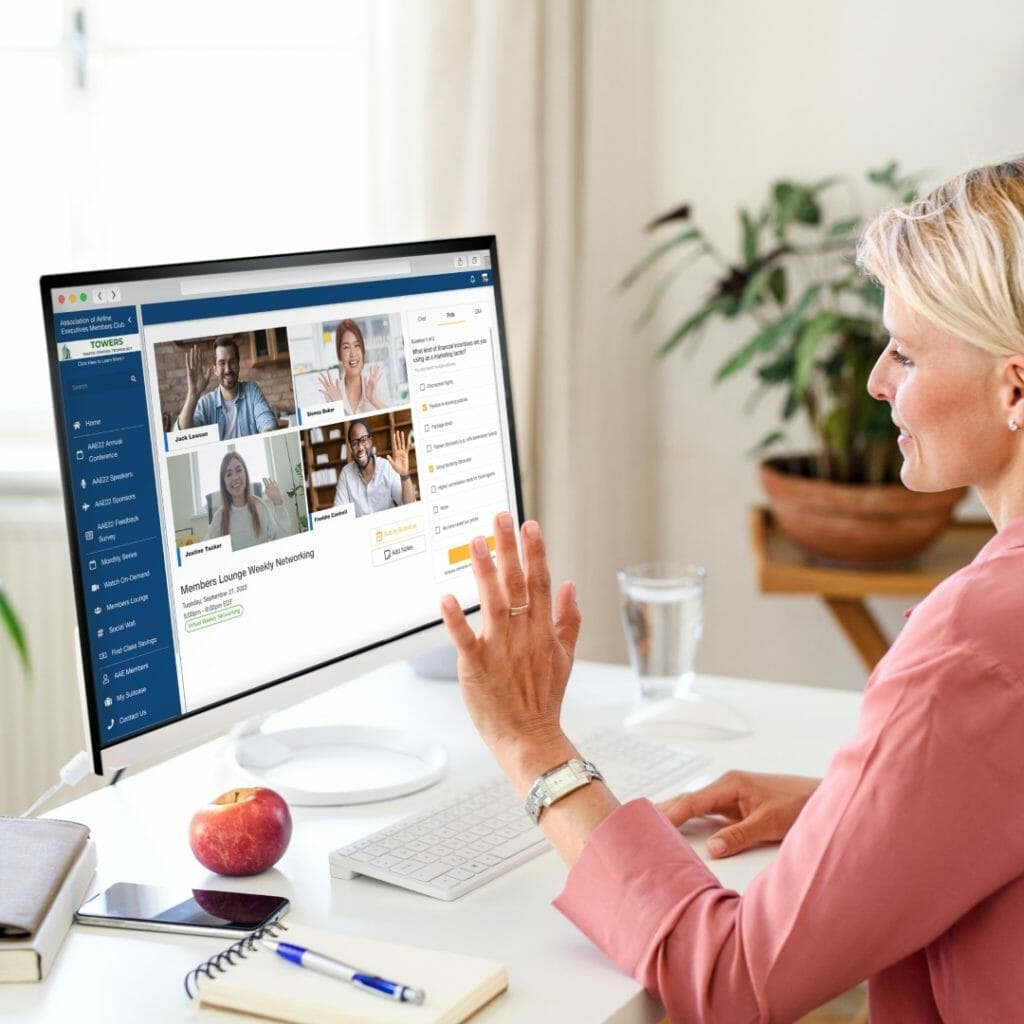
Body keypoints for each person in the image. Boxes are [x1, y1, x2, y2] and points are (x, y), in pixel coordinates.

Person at [439, 158, 1024, 1023]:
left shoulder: (976, 641)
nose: (876, 381)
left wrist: (533, 746)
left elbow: (733, 981)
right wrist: (855, 816)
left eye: (905, 351)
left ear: (1015, 385)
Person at [176, 336, 278, 439]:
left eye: (232, 362)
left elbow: (267, 421)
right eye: (222, 363)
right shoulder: (205, 404)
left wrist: (268, 434)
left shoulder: (252, 391)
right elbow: (183, 436)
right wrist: (193, 394)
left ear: (238, 365)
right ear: (215, 369)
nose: (227, 369)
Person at [206, 451, 295, 550]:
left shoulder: (260, 506)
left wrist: (278, 503)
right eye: (229, 474)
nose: (235, 477)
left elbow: (281, 538)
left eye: (238, 470)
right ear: (224, 482)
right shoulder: (219, 516)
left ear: (246, 474)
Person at [334, 419, 416, 516]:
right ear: (351, 448)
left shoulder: (386, 467)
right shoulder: (346, 474)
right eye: (355, 443)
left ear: (370, 441)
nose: (360, 448)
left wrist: (404, 474)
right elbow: (339, 515)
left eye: (364, 440)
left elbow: (409, 506)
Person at [317, 318, 391, 413]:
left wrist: (373, 399)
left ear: (363, 350)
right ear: (339, 355)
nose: (353, 353)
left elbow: (392, 415)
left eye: (357, 345)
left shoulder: (376, 383)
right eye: (346, 347)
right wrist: (337, 406)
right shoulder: (332, 393)